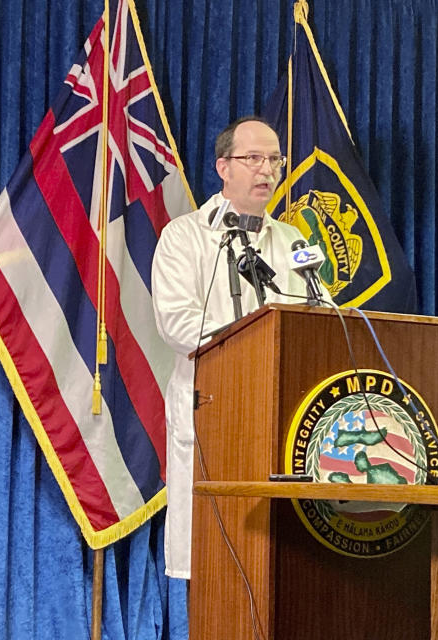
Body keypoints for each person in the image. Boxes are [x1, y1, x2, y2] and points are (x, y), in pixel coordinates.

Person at [152, 116, 318, 579]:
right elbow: (177, 324)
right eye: (254, 159)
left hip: (283, 418)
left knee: (279, 566)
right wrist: (257, 332)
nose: (267, 170)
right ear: (223, 167)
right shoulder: (183, 237)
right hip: (213, 412)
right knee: (216, 567)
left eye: (275, 160)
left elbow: (320, 319)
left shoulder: (292, 241)